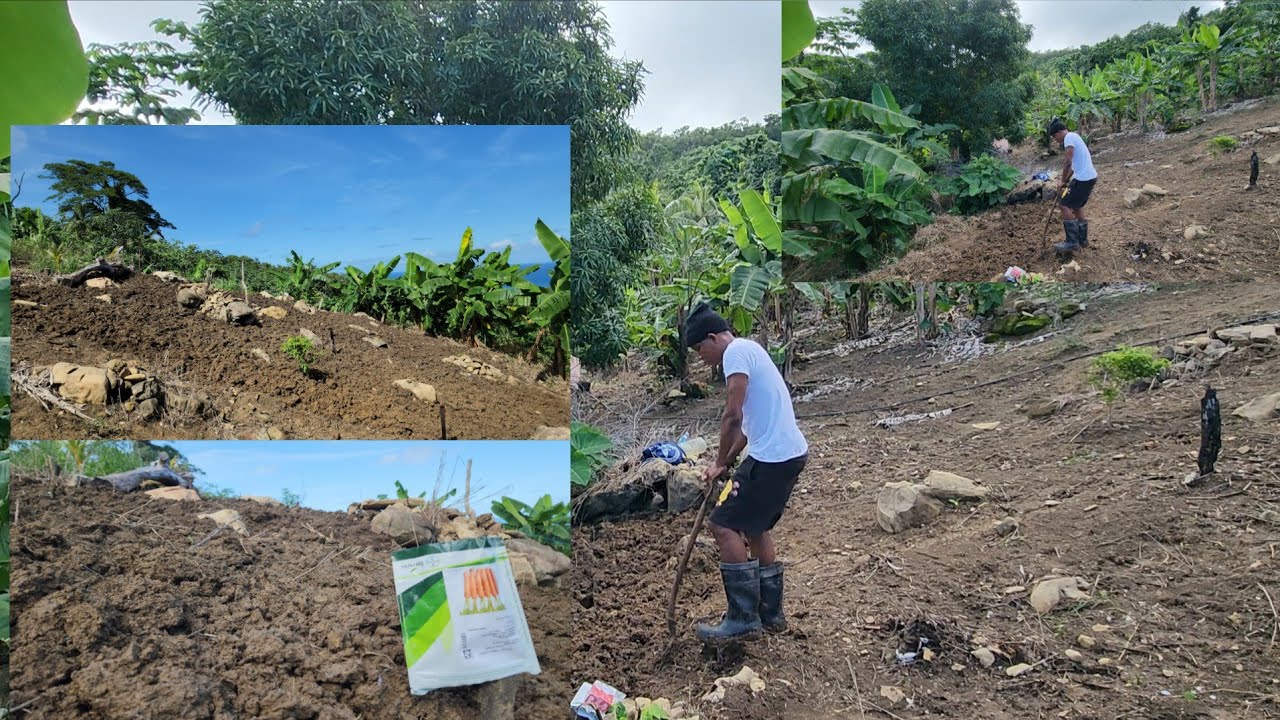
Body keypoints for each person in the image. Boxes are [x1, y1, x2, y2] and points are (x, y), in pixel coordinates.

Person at [682, 303, 808, 641]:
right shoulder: (750, 349)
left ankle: (743, 619)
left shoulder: (735, 353)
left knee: (722, 524)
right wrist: (723, 462)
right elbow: (748, 430)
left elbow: (732, 417)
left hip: (772, 459)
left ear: (713, 337)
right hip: (788, 454)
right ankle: (771, 615)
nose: (700, 357)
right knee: (755, 527)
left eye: (699, 349)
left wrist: (720, 459)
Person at [1047, 118, 1098, 256]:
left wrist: (1062, 180)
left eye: (1054, 136)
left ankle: (1072, 241)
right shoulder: (1075, 136)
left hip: (1083, 179)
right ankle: (1082, 240)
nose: (1055, 139)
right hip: (1088, 177)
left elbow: (1067, 162)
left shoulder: (1069, 137)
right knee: (1076, 206)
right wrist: (1064, 181)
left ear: (1059, 132)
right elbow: (1073, 168)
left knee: (1063, 205)